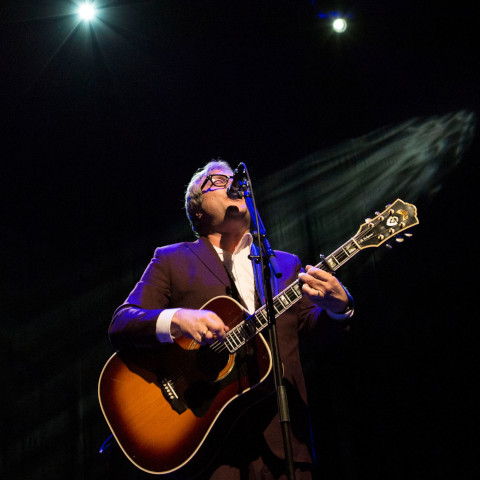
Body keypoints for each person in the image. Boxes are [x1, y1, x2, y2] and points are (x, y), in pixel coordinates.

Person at [108, 160, 354, 480]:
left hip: (286, 448)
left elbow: (321, 337)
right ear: (197, 213)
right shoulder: (171, 259)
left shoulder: (285, 265)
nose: (229, 182)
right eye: (216, 180)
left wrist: (340, 308)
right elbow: (122, 323)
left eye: (232, 178)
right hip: (211, 451)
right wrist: (177, 319)